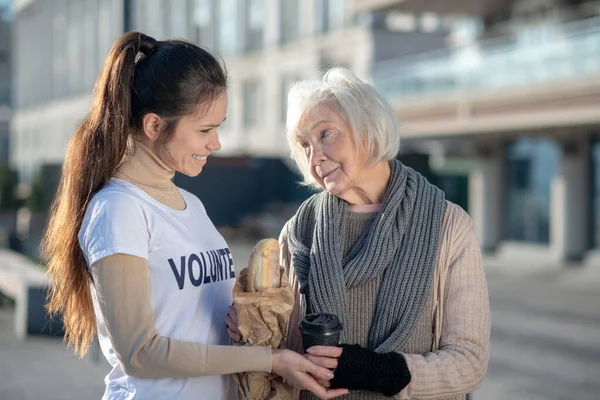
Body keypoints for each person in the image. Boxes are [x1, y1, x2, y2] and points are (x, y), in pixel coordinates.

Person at [42, 32, 349, 400]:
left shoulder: (191, 204)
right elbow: (140, 353)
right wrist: (269, 360)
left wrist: (249, 321)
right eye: (205, 129)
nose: (216, 143)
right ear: (154, 126)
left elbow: (200, 327)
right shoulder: (119, 210)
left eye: (218, 127)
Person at [227, 68, 490, 400]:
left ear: (368, 129)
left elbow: (469, 362)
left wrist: (378, 371)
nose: (314, 156)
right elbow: (281, 351)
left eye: (326, 134)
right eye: (304, 144)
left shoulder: (448, 226)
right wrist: (248, 331)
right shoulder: (298, 231)